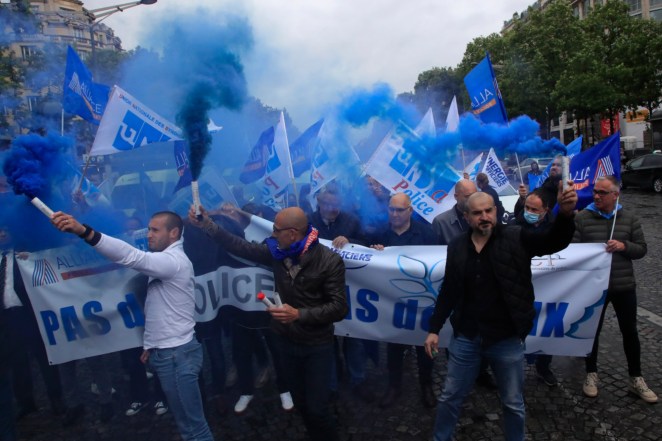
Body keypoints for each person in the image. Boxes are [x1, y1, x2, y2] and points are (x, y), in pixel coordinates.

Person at [424, 180, 578, 441]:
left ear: (496, 210)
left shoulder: (516, 236)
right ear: (466, 216)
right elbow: (449, 290)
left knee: (512, 403)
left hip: (506, 337)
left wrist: (564, 215)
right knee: (450, 396)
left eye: (488, 211)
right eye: (477, 213)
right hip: (466, 336)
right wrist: (434, 329)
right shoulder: (457, 246)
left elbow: (554, 240)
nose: (484, 217)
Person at [187, 205, 348, 441]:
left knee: (317, 408)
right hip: (286, 341)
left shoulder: (329, 260)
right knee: (301, 403)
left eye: (276, 230)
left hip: (316, 346)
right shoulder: (276, 251)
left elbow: (339, 307)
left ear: (292, 233)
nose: (272, 235)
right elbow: (238, 245)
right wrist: (208, 225)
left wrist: (299, 314)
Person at [51, 210, 215, 441]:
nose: (148, 235)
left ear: (174, 233)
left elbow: (130, 256)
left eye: (155, 230)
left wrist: (83, 231)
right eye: (148, 229)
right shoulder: (167, 258)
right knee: (186, 425)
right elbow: (161, 309)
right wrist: (151, 344)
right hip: (169, 352)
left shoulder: (173, 261)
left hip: (178, 357)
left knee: (195, 428)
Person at [573, 176, 657, 403]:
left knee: (630, 333)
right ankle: (591, 374)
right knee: (591, 332)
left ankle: (636, 378)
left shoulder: (629, 218)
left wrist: (624, 246)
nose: (596, 196)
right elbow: (572, 249)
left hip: (623, 286)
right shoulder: (582, 217)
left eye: (602, 192)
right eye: (595, 191)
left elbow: (641, 249)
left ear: (615, 195)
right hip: (594, 288)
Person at [370, 193, 437, 409]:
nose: (395, 214)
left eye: (399, 210)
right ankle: (394, 386)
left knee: (425, 348)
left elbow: (439, 263)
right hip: (392, 302)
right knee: (394, 347)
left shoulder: (426, 233)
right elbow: (362, 255)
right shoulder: (380, 233)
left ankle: (427, 385)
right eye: (391, 209)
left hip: (421, 302)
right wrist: (372, 251)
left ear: (410, 210)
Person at [309, 183, 373, 402]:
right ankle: (331, 385)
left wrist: (350, 241)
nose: (332, 209)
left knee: (353, 337)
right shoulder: (308, 222)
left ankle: (358, 379)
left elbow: (367, 245)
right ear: (318, 202)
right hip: (319, 292)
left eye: (336, 205)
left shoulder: (350, 221)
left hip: (349, 289)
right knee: (326, 341)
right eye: (327, 204)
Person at [431, 179, 497, 389]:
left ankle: (482, 371)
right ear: (457, 197)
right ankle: (459, 371)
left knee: (486, 332)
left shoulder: (489, 220)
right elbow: (429, 254)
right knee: (460, 332)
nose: (472, 199)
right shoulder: (441, 222)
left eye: (474, 194)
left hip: (484, 289)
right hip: (458, 287)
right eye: (467, 196)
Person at [508, 189, 558, 387]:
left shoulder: (555, 228)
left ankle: (544, 367)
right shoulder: (513, 227)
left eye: (534, 209)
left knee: (548, 326)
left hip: (550, 289)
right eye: (526, 207)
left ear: (545, 210)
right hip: (520, 291)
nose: (528, 211)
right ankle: (511, 372)